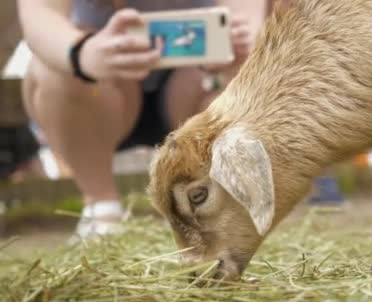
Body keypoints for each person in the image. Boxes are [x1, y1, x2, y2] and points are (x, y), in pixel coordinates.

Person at [17, 0, 267, 243]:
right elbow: (39, 15)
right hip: (96, 89)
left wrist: (234, 53)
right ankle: (102, 209)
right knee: (53, 68)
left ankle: (215, 203)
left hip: (194, 83)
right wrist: (83, 54)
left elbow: (248, 24)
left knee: (251, 73)